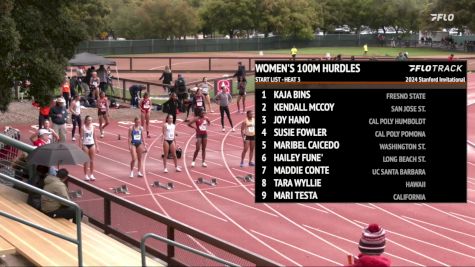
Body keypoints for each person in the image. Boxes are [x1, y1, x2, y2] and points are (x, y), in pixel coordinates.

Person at [80, 115, 98, 181]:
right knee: (86, 161)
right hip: (85, 144)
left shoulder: (93, 127)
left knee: (92, 161)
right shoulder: (83, 127)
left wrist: (97, 146)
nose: (90, 121)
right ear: (86, 120)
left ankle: (92, 174)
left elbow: (95, 137)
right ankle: (85, 175)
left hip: (92, 144)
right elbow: (81, 137)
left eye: (91, 120)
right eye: (89, 120)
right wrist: (80, 146)